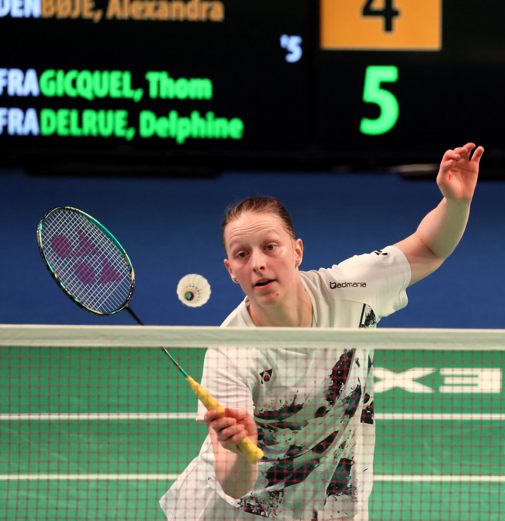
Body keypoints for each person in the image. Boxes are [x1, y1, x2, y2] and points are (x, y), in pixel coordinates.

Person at [160, 142, 485, 520]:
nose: (259, 264)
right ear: (231, 270)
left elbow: (429, 247)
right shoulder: (230, 352)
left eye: (270, 247)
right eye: (242, 254)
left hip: (330, 506)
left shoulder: (352, 289)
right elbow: (235, 486)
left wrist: (455, 203)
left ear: (297, 251)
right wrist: (239, 448)